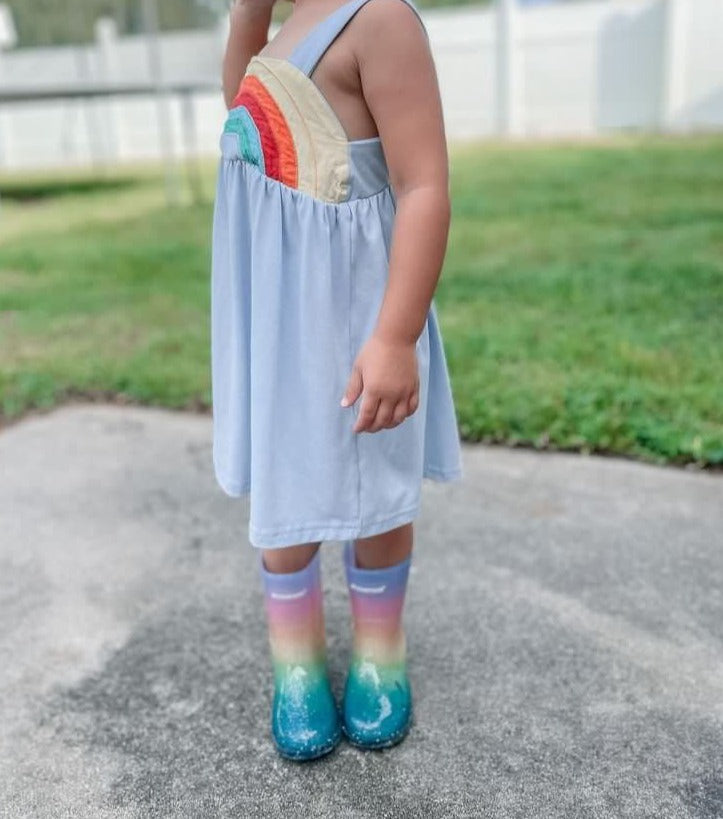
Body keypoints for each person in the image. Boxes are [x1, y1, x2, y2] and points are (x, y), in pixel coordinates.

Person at [210, 0, 463, 760]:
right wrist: (245, 23)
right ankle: (296, 664)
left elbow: (423, 187)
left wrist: (393, 336)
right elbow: (245, 114)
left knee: (374, 475)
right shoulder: (280, 27)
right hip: (276, 318)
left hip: (352, 312)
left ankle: (379, 651)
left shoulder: (380, 21)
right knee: (282, 483)